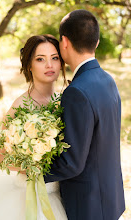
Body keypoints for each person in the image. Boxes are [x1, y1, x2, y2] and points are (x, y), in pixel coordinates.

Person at [0, 34, 68, 220]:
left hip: (61, 192)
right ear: (29, 65)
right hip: (27, 195)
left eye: (55, 58)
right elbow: (1, 159)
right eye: (41, 59)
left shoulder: (63, 101)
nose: (50, 65)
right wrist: (35, 167)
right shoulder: (20, 105)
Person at [44, 9, 125, 220]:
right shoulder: (108, 80)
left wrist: (33, 173)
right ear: (96, 42)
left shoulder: (76, 92)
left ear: (64, 42)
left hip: (88, 206)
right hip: (110, 198)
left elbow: (72, 163)